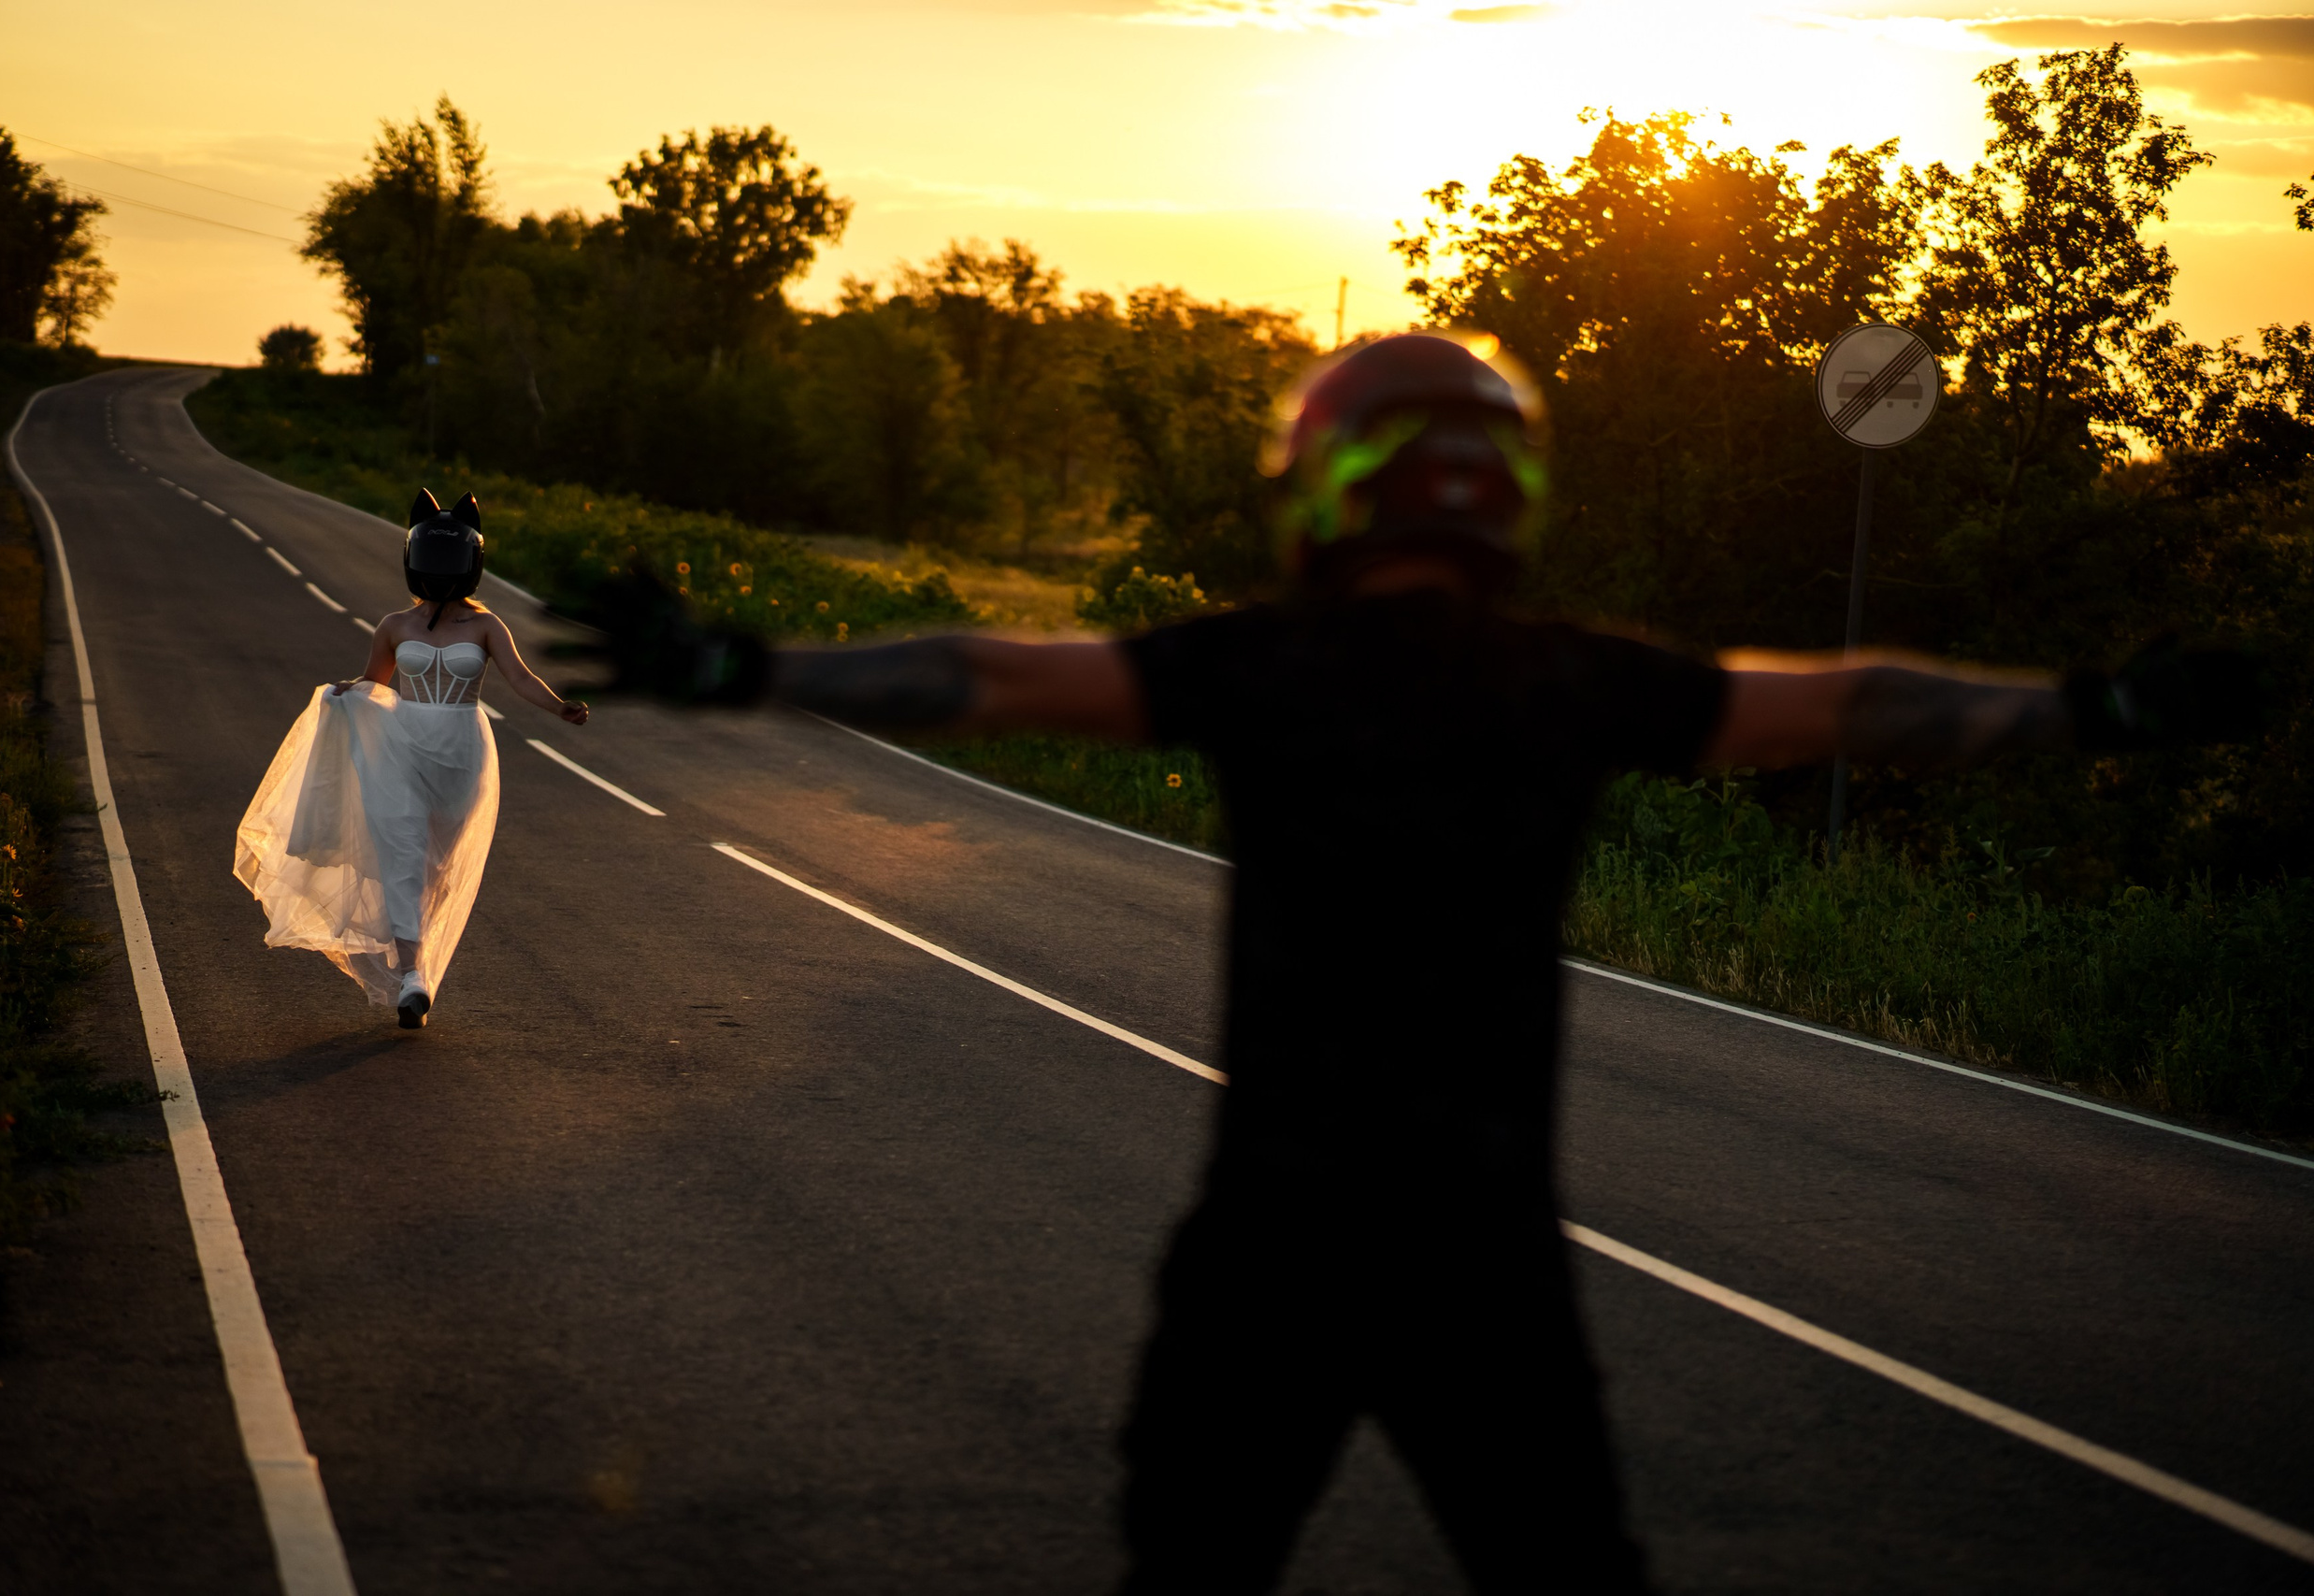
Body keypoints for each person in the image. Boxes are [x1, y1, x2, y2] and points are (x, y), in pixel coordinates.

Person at [588, 333, 2261, 1591]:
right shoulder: (1578, 683)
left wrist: (742, 662)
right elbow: (1856, 703)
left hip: (1272, 1256)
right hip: (1484, 1270)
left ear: (1325, 478)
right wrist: (2094, 708)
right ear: (1511, 493)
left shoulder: (1261, 668)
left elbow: (985, 675)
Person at [235, 490, 589, 1029]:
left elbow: (519, 677)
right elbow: (374, 683)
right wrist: (343, 694)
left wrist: (559, 706)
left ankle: (416, 961)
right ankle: (412, 978)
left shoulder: (488, 626)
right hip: (401, 744)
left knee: (435, 864)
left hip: (461, 752)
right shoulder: (394, 625)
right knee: (402, 855)